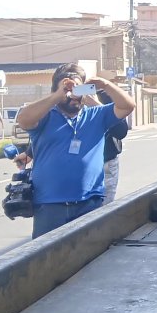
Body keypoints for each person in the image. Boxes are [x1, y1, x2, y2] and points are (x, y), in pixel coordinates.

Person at [15, 63, 135, 238]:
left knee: (89, 258)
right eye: (67, 89)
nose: (73, 95)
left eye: (78, 89)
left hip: (90, 203)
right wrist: (58, 95)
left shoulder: (95, 114)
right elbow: (24, 119)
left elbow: (127, 106)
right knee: (48, 259)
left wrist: (106, 86)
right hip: (49, 204)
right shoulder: (45, 117)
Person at [95, 89, 129, 203]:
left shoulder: (104, 96)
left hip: (106, 163)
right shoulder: (61, 103)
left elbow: (121, 131)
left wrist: (95, 104)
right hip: (74, 168)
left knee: (103, 210)